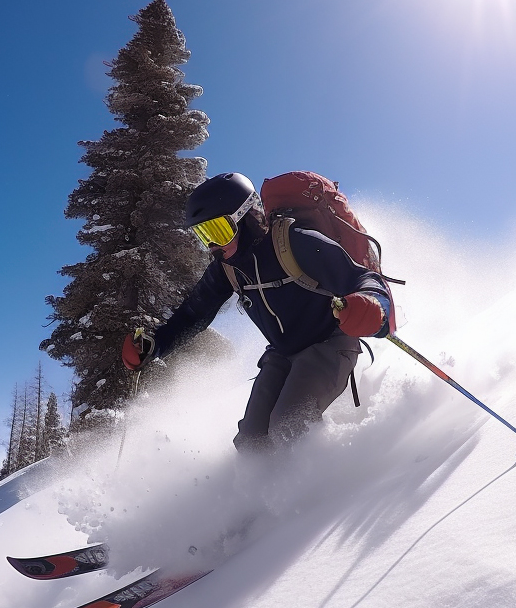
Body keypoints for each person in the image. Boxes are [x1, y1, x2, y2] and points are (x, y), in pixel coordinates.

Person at [121, 172, 393, 453]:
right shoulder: (227, 268)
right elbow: (193, 313)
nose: (214, 246)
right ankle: (259, 495)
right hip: (283, 353)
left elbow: (362, 279)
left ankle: (334, 485)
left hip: (329, 343)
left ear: (245, 217)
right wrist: (155, 345)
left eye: (218, 231)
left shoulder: (294, 242)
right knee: (251, 441)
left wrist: (372, 305)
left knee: (288, 427)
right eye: (204, 235)